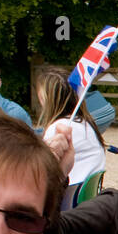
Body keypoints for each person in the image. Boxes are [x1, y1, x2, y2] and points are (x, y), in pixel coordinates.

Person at [35, 66, 106, 203]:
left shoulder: (60, 128)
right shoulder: (85, 123)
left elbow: (42, 173)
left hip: (68, 200)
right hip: (85, 198)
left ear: (46, 98)